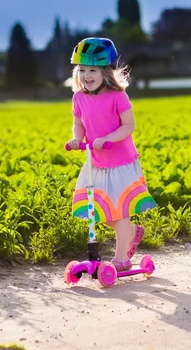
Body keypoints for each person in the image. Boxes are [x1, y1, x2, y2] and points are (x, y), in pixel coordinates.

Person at [67, 37, 157, 272]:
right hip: (96, 162)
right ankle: (132, 233)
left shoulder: (118, 96)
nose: (87, 75)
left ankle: (122, 259)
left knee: (120, 210)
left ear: (106, 71)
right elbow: (79, 124)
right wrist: (77, 138)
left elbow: (128, 126)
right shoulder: (78, 97)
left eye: (92, 69)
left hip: (120, 162)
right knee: (100, 211)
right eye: (82, 69)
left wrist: (108, 138)